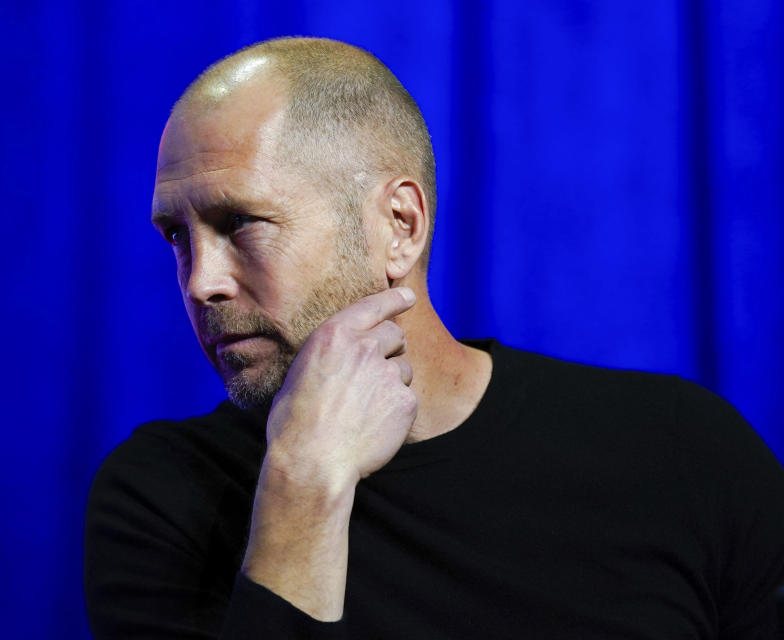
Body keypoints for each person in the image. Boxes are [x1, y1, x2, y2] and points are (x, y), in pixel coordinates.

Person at [84, 37, 784, 638]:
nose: (200, 281)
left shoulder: (683, 452)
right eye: (177, 236)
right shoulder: (162, 498)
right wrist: (303, 486)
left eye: (242, 224)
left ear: (400, 226)